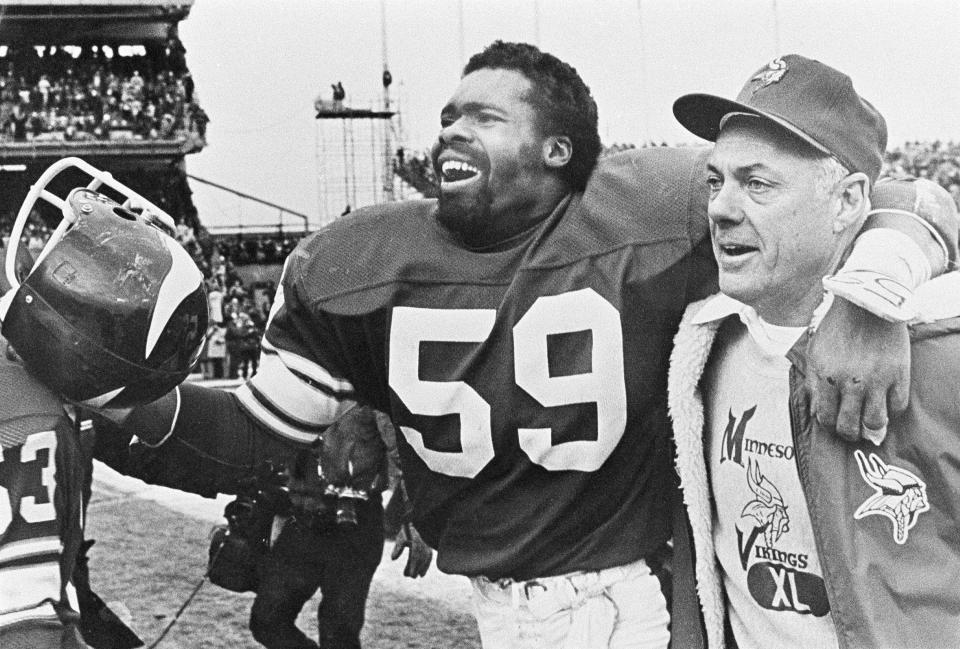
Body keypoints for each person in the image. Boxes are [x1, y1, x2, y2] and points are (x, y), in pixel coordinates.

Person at [90, 42, 950, 648]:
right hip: (495, 606)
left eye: (487, 117)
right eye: (450, 114)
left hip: (635, 605)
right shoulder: (360, 259)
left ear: (560, 149)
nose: (454, 130)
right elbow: (252, 431)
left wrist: (866, 298)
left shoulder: (659, 204)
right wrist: (105, 395)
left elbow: (900, 195)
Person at [667, 54, 960, 649]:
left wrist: (872, 299)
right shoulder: (705, 337)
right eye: (715, 181)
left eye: (757, 184)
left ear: (849, 201)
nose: (721, 208)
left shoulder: (940, 352)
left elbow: (922, 200)